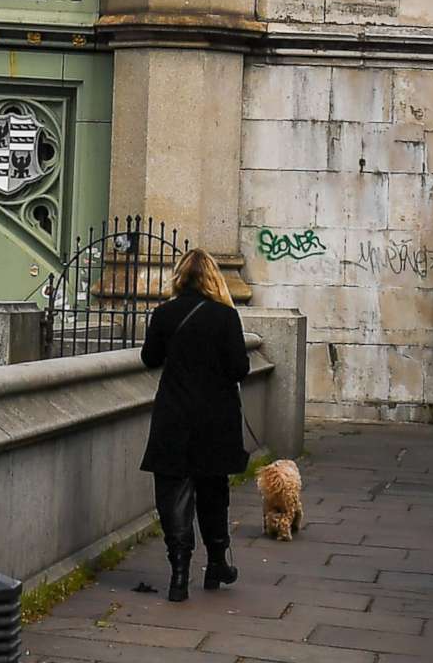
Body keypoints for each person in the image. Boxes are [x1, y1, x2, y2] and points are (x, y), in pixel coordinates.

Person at [140, 248, 253, 601]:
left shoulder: (164, 313)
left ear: (179, 277)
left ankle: (178, 574)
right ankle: (217, 563)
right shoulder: (224, 317)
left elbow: (149, 358)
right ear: (212, 278)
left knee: (173, 495)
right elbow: (239, 368)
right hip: (214, 419)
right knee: (213, 492)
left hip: (174, 415)